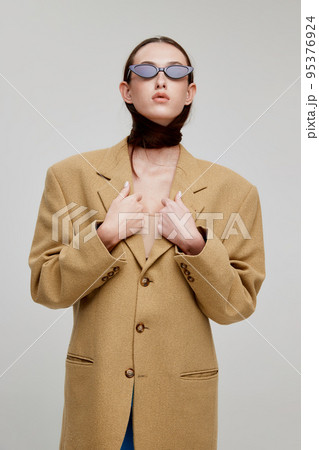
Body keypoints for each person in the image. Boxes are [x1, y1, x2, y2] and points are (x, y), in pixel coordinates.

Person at [28, 36, 266, 449]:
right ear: (127, 90)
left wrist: (196, 245)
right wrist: (104, 236)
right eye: (146, 71)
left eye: (175, 72)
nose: (161, 80)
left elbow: (235, 307)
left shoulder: (235, 191)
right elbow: (46, 288)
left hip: (178, 400)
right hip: (99, 398)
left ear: (189, 92)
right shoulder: (70, 177)